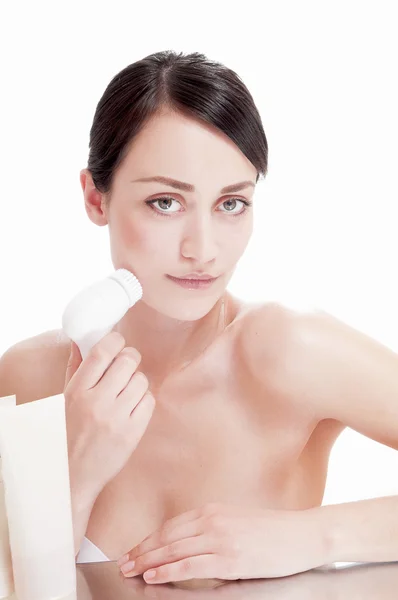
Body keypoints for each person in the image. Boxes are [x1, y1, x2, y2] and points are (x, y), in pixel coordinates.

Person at [1, 50, 398, 587]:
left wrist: (312, 537)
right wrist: (74, 476)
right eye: (166, 202)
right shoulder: (30, 381)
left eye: (231, 204)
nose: (204, 249)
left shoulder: (287, 350)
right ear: (96, 198)